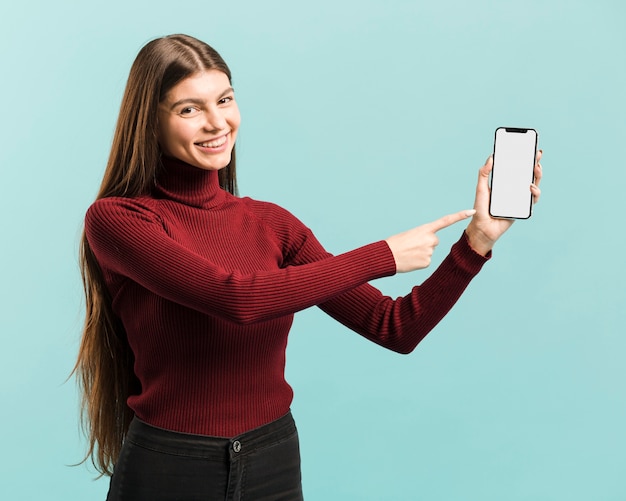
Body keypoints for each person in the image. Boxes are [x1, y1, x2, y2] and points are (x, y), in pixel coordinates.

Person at [74, 34, 542, 500]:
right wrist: (382, 256)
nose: (218, 123)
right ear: (150, 122)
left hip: (272, 459)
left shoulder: (271, 224)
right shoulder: (119, 220)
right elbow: (235, 298)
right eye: (189, 109)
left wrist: (476, 243)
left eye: (225, 99)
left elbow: (394, 326)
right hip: (171, 467)